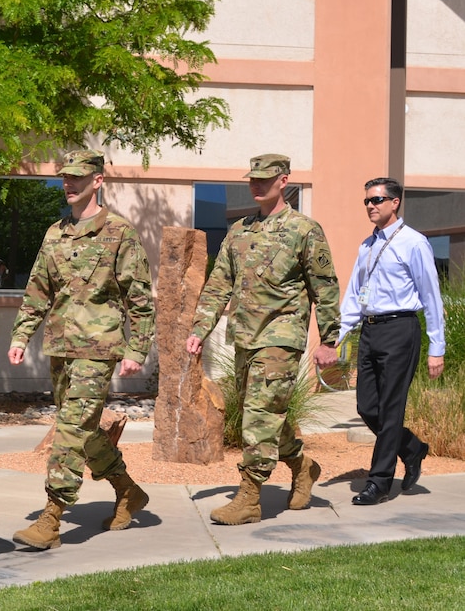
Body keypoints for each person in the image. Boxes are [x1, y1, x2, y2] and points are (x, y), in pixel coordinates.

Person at [7, 149, 155, 549]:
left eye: (77, 177)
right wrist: (21, 336)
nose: (68, 184)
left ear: (97, 181)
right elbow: (38, 289)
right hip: (60, 346)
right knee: (85, 434)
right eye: (65, 177)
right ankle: (128, 491)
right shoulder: (56, 233)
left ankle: (51, 519)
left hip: (99, 349)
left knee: (69, 432)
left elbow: (139, 299)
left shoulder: (119, 232)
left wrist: (136, 350)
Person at [186, 153, 340, 525]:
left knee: (258, 415)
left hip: (281, 336)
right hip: (245, 337)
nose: (256, 185)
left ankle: (250, 497)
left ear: (284, 181)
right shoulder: (239, 231)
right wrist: (199, 329)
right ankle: (303, 466)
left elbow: (326, 287)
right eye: (252, 179)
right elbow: (218, 284)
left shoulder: (305, 229)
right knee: (269, 414)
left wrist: (329, 339)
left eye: (264, 179)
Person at [340, 177, 445, 506]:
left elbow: (431, 296)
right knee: (366, 407)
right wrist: (336, 336)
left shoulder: (413, 243)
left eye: (377, 200)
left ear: (395, 202)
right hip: (370, 331)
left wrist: (436, 348)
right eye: (367, 201)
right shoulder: (366, 246)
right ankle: (412, 449)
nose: (371, 206)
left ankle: (379, 481)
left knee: (390, 409)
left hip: (401, 329)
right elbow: (355, 296)